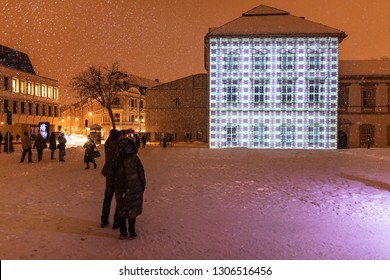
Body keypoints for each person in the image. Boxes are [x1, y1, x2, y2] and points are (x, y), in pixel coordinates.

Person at [110, 136, 146, 240]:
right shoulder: (135, 159)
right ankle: (132, 232)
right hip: (134, 189)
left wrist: (112, 187)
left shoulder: (116, 159)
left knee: (121, 211)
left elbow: (111, 175)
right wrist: (142, 187)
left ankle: (123, 232)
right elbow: (141, 173)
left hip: (120, 189)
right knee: (132, 212)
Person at [100, 129, 121, 229]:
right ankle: (116, 222)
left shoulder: (107, 145)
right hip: (117, 177)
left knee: (107, 199)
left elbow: (112, 138)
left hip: (109, 176)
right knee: (119, 200)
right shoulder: (118, 147)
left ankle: (104, 220)